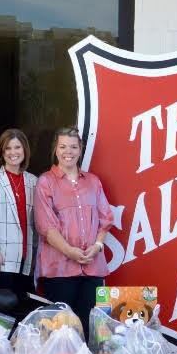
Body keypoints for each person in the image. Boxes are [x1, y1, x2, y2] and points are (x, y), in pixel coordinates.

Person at [34, 128, 114, 334]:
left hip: (92, 267)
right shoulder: (45, 182)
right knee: (61, 332)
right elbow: (46, 226)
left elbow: (106, 219)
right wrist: (70, 251)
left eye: (73, 147)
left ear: (80, 150)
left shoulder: (93, 182)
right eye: (62, 146)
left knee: (93, 331)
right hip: (59, 270)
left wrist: (97, 246)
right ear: (55, 150)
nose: (67, 151)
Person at [0, 128, 40, 316]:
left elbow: (36, 223)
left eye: (17, 147)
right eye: (7, 148)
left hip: (26, 259)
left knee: (23, 313)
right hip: (2, 257)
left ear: (24, 150)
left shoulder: (33, 181)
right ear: (1, 152)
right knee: (1, 314)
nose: (13, 152)